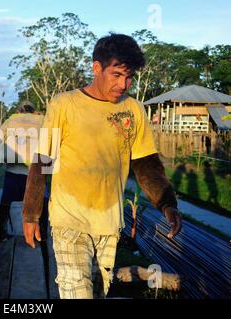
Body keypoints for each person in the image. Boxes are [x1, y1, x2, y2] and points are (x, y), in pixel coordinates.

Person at [21, 34, 182, 299]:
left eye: (129, 78)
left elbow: (145, 164)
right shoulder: (64, 104)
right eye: (116, 75)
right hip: (68, 220)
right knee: (77, 293)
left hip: (108, 223)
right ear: (96, 68)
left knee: (98, 292)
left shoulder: (134, 110)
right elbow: (42, 161)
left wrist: (167, 203)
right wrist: (30, 214)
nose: (123, 84)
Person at [0, 101, 44, 242]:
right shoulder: (41, 121)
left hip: (13, 171)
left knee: (6, 202)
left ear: (19, 111)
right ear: (34, 111)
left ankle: (3, 233)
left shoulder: (11, 121)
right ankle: (40, 235)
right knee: (38, 203)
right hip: (34, 172)